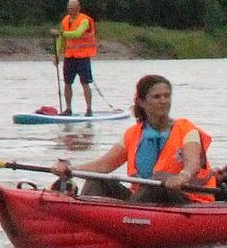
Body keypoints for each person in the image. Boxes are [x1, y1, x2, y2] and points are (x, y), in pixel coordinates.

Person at [51, 73, 214, 204]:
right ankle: (83, 215)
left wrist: (182, 176)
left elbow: (192, 163)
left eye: (167, 96)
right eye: (157, 97)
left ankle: (122, 218)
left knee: (156, 182)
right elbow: (103, 165)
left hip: (186, 200)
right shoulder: (132, 134)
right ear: (142, 102)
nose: (164, 101)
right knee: (97, 179)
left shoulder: (187, 129)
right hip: (143, 200)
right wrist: (71, 169)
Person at [55, 0, 97, 116]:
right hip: (69, 57)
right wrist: (57, 54)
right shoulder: (65, 20)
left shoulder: (85, 20)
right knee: (67, 83)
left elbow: (78, 33)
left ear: (78, 8)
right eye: (69, 8)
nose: (70, 10)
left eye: (73, 8)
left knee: (85, 83)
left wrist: (62, 33)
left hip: (83, 57)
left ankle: (89, 109)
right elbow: (61, 39)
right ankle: (68, 109)